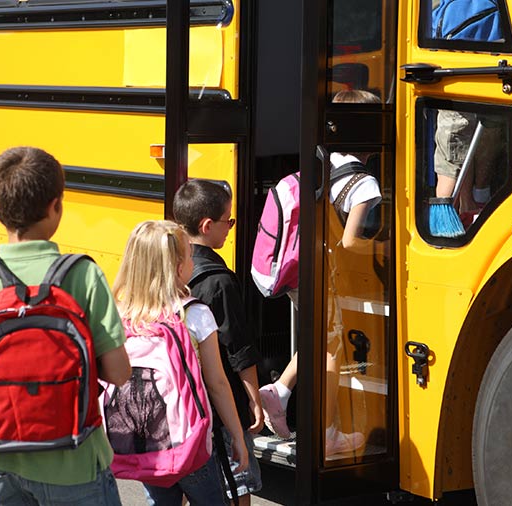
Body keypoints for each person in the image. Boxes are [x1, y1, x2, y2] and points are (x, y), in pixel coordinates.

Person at [0, 146, 132, 505]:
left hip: (3, 458)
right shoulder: (83, 274)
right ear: (56, 206)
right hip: (75, 458)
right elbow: (118, 373)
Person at [258, 88, 380, 458]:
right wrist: (384, 248)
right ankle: (326, 433)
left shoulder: (326, 160)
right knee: (331, 351)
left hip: (302, 270)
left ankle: (279, 391)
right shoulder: (365, 183)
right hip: (328, 276)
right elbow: (348, 242)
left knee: (319, 339)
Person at [113, 219, 249, 505]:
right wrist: (238, 435)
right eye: (189, 256)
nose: (192, 262)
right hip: (190, 446)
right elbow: (217, 383)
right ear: (177, 268)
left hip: (143, 441)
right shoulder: (194, 314)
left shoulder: (120, 314)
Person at [173, 179, 265, 504]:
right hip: (221, 411)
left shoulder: (172, 272)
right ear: (208, 225)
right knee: (238, 490)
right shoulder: (219, 282)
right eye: (229, 220)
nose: (231, 227)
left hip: (183, 408)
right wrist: (254, 400)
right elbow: (238, 349)